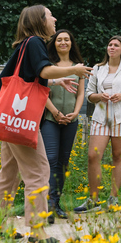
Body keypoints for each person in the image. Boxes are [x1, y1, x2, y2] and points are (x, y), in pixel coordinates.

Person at [0, 5, 91, 243]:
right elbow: (42, 70)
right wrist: (73, 70)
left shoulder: (25, 44)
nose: (54, 18)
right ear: (39, 20)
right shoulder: (34, 42)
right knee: (39, 170)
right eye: (50, 15)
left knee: (9, 173)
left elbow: (31, 76)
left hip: (7, 116)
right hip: (20, 118)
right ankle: (37, 233)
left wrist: (55, 80)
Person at [75, 35, 121, 213]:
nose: (112, 47)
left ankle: (113, 198)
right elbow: (90, 94)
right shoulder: (98, 68)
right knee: (93, 156)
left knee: (118, 156)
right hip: (101, 116)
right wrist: (100, 96)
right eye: (110, 45)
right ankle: (93, 199)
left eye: (116, 45)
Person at [41, 29, 85, 223]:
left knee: (63, 162)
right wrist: (56, 113)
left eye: (67, 39)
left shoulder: (79, 67)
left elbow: (81, 93)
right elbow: (41, 91)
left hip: (71, 120)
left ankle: (55, 203)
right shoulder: (49, 66)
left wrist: (76, 112)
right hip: (51, 118)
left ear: (71, 42)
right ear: (55, 43)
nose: (63, 42)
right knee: (50, 159)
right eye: (59, 39)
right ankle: (46, 205)